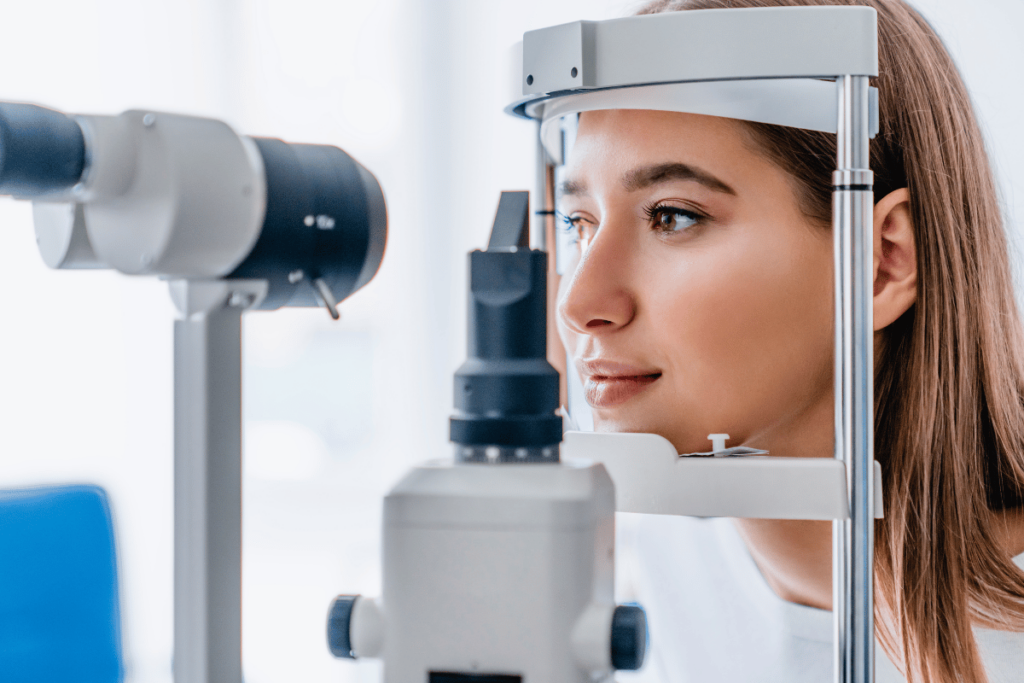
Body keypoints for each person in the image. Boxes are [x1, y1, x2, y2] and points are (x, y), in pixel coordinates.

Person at [551, 0, 1024, 681]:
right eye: (579, 222)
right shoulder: (625, 589)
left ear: (882, 260)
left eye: (673, 215)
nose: (579, 302)